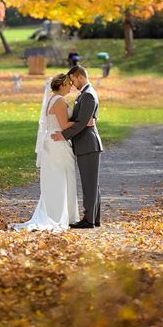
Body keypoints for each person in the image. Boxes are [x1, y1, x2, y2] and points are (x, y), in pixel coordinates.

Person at [9, 73, 95, 232]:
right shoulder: (59, 100)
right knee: (62, 177)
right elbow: (63, 125)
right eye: (69, 83)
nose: (71, 86)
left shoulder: (52, 99)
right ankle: (61, 216)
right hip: (58, 143)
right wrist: (84, 122)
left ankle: (60, 213)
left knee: (57, 177)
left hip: (52, 141)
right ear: (62, 85)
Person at [52, 65, 103, 229]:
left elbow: (82, 124)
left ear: (80, 76)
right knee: (92, 183)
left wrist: (64, 135)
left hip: (88, 143)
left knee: (89, 183)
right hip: (85, 144)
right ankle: (94, 218)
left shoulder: (88, 95)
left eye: (73, 80)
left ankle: (89, 220)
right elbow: (81, 120)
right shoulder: (85, 94)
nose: (72, 84)